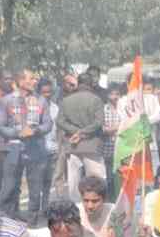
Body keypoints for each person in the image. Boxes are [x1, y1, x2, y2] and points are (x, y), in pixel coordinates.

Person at [0, 69, 53, 221]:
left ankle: (32, 219)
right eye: (32, 78)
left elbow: (48, 124)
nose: (35, 81)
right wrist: (17, 133)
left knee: (35, 186)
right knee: (9, 185)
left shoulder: (41, 101)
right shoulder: (7, 100)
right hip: (13, 148)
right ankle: (5, 217)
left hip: (36, 148)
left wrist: (36, 130)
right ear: (21, 81)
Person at [58, 71, 108, 200]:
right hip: (92, 146)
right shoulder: (96, 100)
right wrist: (82, 133)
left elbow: (60, 121)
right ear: (91, 84)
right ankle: (97, 206)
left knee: (74, 182)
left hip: (73, 145)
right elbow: (99, 122)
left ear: (78, 84)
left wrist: (76, 132)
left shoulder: (66, 100)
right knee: (97, 180)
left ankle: (76, 208)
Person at [39, 78, 60, 210]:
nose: (47, 94)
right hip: (38, 151)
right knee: (37, 182)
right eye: (44, 92)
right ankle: (35, 208)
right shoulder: (33, 106)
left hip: (52, 149)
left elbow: (57, 129)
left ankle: (45, 207)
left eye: (49, 92)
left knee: (48, 181)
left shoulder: (55, 108)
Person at [102, 86, 123, 199]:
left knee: (121, 177)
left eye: (117, 94)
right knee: (109, 178)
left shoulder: (124, 109)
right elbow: (102, 129)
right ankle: (110, 201)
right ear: (107, 95)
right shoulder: (103, 110)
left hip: (122, 149)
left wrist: (114, 129)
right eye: (112, 94)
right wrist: (117, 128)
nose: (115, 97)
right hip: (107, 149)